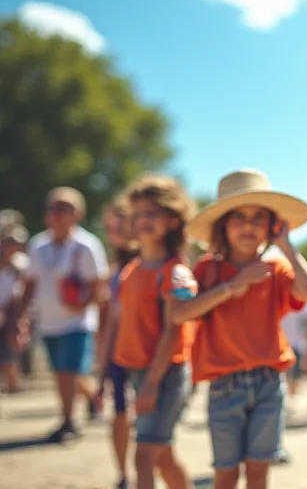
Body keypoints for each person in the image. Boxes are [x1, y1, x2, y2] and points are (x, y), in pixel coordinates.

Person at [173, 168, 307, 489]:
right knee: (226, 473)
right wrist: (232, 286)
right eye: (238, 217)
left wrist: (287, 246)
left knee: (258, 472)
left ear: (270, 226)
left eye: (258, 218)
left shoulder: (276, 268)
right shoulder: (206, 269)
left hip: (269, 384)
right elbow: (181, 313)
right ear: (222, 226)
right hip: (225, 385)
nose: (248, 226)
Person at [111, 175, 196, 489]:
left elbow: (172, 332)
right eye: (139, 213)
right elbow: (120, 324)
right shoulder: (131, 270)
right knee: (163, 456)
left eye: (153, 212)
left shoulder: (174, 271)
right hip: (137, 372)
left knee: (144, 456)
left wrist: (150, 384)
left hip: (165, 374)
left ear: (173, 220)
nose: (144, 220)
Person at [10, 187, 109, 442]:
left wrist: (85, 308)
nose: (57, 214)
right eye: (53, 208)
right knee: (65, 372)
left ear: (77, 214)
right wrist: (20, 319)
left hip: (79, 322)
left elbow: (98, 287)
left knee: (68, 371)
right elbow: (29, 285)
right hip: (49, 321)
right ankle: (92, 398)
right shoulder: (38, 246)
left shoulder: (87, 246)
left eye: (64, 208)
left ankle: (68, 422)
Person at [95, 194, 139, 489]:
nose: (114, 231)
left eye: (119, 224)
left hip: (146, 354)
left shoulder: (149, 263)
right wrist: (100, 372)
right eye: (110, 226)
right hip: (120, 354)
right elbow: (110, 322)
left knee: (148, 426)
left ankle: (143, 474)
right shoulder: (114, 270)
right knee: (120, 414)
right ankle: (124, 475)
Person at [0, 225, 30, 393]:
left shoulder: (21, 265)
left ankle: (13, 386)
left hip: (12, 316)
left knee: (10, 355)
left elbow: (22, 295)